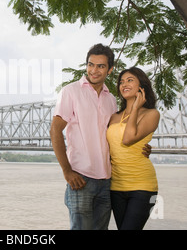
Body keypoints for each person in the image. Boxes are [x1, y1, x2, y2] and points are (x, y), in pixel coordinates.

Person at [51, 44, 123, 230]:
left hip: (107, 180)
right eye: (91, 64)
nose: (94, 70)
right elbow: (55, 130)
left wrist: (140, 149)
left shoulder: (111, 99)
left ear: (110, 69)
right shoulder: (71, 91)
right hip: (81, 178)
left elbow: (115, 137)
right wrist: (67, 171)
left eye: (101, 66)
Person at [107, 66, 159, 230]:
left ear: (141, 86)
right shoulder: (113, 116)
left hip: (142, 186)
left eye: (130, 80)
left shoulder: (151, 114)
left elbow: (128, 139)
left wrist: (135, 107)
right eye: (121, 82)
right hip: (116, 186)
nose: (124, 84)